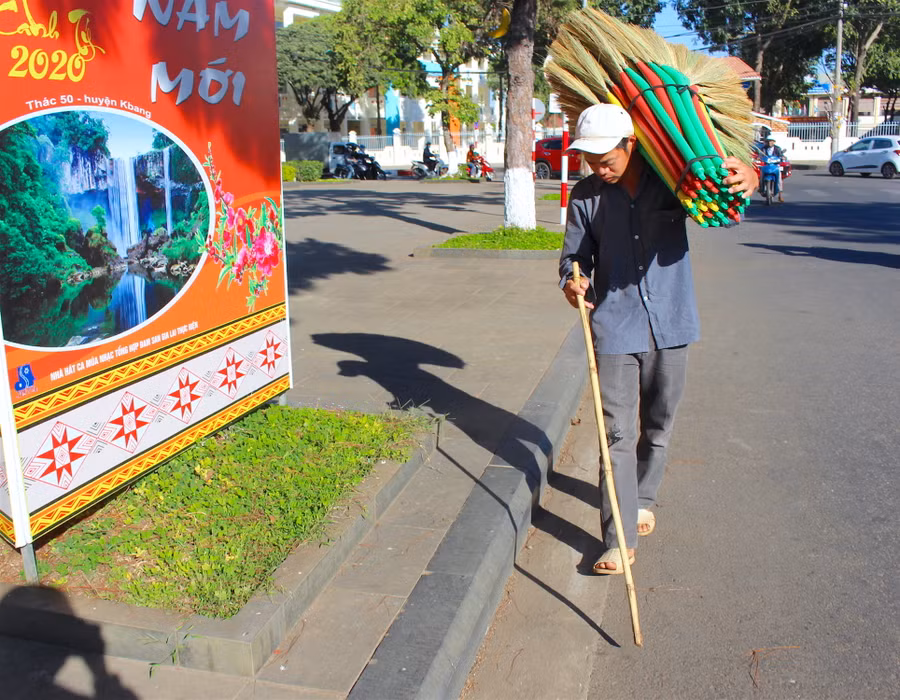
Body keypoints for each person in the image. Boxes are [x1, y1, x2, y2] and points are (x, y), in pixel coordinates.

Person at [559, 103, 758, 573]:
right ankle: (619, 537)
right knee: (618, 433)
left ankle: (643, 496)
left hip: (671, 321)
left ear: (631, 145)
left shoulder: (673, 180)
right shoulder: (586, 197)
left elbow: (725, 213)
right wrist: (573, 280)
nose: (598, 168)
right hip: (613, 326)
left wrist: (746, 175)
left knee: (659, 423)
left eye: (606, 158)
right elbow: (573, 256)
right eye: (590, 160)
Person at [761, 136, 787, 202]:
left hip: (775, 166)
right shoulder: (764, 148)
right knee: (761, 176)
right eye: (768, 141)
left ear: (774, 142)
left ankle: (780, 196)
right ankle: (761, 187)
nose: (770, 142)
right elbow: (760, 154)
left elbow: (781, 155)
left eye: (771, 141)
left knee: (779, 180)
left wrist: (782, 157)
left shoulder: (777, 149)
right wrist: (759, 157)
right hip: (767, 165)